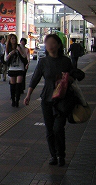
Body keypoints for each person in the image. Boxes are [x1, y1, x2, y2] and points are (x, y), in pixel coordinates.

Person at [23, 34, 73, 167]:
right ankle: (53, 155)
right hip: (47, 99)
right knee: (50, 130)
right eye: (47, 43)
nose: (49, 45)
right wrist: (28, 95)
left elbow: (74, 75)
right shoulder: (43, 62)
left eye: (52, 43)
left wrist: (69, 78)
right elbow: (35, 78)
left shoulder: (66, 61)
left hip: (62, 99)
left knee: (58, 128)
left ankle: (61, 154)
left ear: (58, 45)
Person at [5, 34, 27, 107]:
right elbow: (5, 58)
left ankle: (17, 100)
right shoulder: (8, 48)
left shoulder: (19, 47)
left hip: (20, 68)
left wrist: (19, 50)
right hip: (12, 68)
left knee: (18, 85)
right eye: (12, 39)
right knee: (13, 85)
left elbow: (24, 56)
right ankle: (13, 100)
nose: (13, 40)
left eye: (14, 38)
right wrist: (10, 53)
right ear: (9, 40)